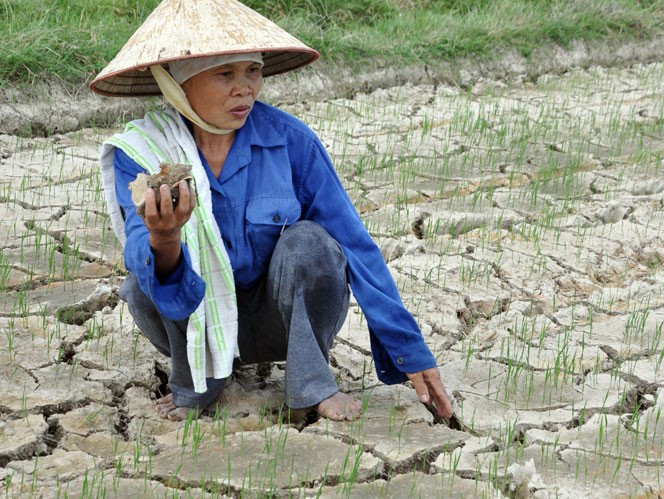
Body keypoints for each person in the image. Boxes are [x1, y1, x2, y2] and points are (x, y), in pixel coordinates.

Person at [91, 0, 453, 422]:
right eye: (225, 74)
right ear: (178, 84)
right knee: (139, 281)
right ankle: (200, 380)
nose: (244, 88)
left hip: (278, 322)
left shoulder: (290, 142)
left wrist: (409, 349)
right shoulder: (144, 155)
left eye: (253, 71)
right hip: (195, 322)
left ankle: (312, 385)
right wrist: (165, 238)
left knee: (310, 243)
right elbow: (142, 254)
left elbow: (355, 246)